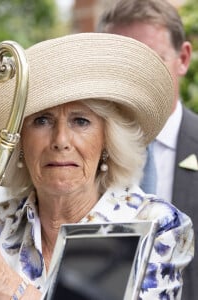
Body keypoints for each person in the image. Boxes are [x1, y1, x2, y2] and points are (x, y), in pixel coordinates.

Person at [0, 33, 194, 300]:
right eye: (42, 121)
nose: (61, 141)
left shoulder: (154, 224)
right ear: (19, 141)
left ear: (107, 141)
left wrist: (12, 289)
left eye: (80, 121)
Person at [96, 1, 198, 298]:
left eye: (153, 61)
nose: (136, 76)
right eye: (122, 62)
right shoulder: (79, 154)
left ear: (183, 58)